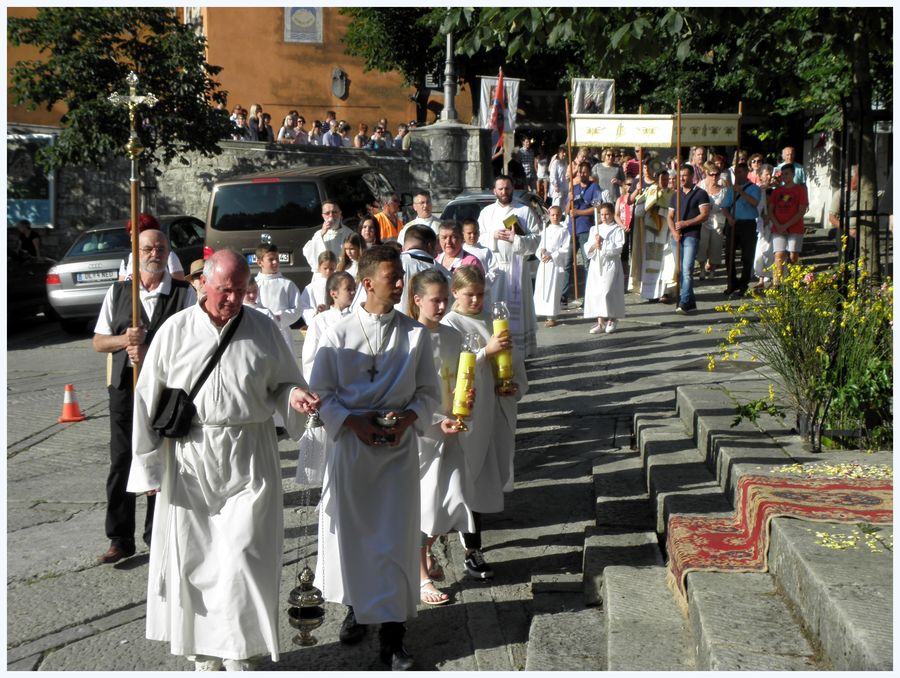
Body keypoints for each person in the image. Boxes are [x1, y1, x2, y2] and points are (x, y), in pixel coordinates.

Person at [127, 249, 320, 671]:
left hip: (249, 455)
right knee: (197, 561)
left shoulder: (264, 329)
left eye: (240, 290)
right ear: (203, 284)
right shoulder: (174, 331)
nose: (232, 299)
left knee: (244, 557)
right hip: (191, 459)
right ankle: (204, 655)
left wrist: (295, 397)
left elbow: (284, 382)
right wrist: (148, 467)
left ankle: (240, 652)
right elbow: (146, 400)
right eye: (224, 290)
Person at [308, 245, 441, 671]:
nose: (401, 283)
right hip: (352, 450)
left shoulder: (415, 334)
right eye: (393, 277)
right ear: (367, 283)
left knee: (397, 542)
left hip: (399, 453)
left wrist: (407, 422)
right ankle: (356, 608)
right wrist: (351, 421)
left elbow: (428, 394)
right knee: (356, 539)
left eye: (401, 275)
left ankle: (394, 636)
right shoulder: (336, 333)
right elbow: (321, 395)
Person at [93, 229, 196, 566]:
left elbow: (195, 344)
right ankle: (119, 538)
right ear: (136, 253)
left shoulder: (184, 294)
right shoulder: (119, 291)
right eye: (148, 248)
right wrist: (126, 340)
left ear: (169, 254)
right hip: (125, 387)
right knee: (122, 459)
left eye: (161, 248)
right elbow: (98, 342)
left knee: (162, 457)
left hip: (166, 390)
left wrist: (151, 350)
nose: (155, 253)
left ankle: (158, 533)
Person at [441, 265, 525, 580]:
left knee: (487, 476)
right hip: (468, 415)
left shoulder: (491, 319)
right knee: (467, 480)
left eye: (480, 294)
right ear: (455, 294)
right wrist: (484, 353)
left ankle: (451, 538)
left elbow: (511, 359)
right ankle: (471, 550)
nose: (476, 300)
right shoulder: (449, 325)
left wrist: (513, 381)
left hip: (494, 408)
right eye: (469, 295)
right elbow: (453, 369)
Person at [408, 269, 476, 606]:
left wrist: (466, 401)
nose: (442, 305)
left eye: (445, 299)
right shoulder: (409, 337)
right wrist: (435, 420)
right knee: (426, 505)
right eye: (435, 300)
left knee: (453, 500)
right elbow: (408, 392)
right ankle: (420, 577)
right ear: (417, 300)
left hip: (452, 428)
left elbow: (461, 378)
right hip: (422, 433)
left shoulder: (452, 336)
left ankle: (425, 553)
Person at [477, 175, 542, 358]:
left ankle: (520, 352)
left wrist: (517, 239)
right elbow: (478, 238)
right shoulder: (486, 213)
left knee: (517, 312)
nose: (504, 192)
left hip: (517, 268)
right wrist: (493, 235)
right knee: (496, 309)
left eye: (507, 188)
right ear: (494, 191)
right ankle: (498, 349)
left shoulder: (524, 211)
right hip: (496, 268)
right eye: (500, 189)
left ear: (512, 188)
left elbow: (537, 239)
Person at [668, 165, 710, 314]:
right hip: (677, 237)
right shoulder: (676, 195)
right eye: (680, 176)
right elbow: (670, 217)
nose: (682, 178)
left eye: (685, 175)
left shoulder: (701, 193)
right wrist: (674, 232)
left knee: (687, 269)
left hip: (691, 235)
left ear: (692, 176)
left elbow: (704, 214)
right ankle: (691, 302)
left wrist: (686, 223)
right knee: (679, 270)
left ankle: (684, 301)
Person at [631, 169, 676, 303]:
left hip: (666, 233)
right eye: (663, 179)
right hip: (650, 232)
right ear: (656, 180)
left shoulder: (672, 194)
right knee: (650, 263)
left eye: (667, 179)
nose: (665, 182)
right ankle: (650, 294)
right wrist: (647, 206)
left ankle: (665, 292)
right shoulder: (649, 191)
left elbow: (673, 212)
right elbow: (638, 212)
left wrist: (661, 210)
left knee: (665, 262)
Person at [561, 161, 601, 304]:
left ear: (589, 173)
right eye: (580, 172)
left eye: (584, 172)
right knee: (567, 263)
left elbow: (597, 207)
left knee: (587, 263)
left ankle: (588, 295)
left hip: (585, 229)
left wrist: (580, 212)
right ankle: (564, 294)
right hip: (572, 229)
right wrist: (569, 201)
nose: (582, 174)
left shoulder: (595, 187)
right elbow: (566, 212)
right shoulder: (574, 188)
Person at [583, 203, 626, 334]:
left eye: (607, 214)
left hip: (610, 264)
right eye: (602, 214)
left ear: (613, 214)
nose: (604, 217)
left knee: (608, 291)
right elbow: (588, 247)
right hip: (597, 263)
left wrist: (604, 242)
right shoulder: (594, 229)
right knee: (597, 292)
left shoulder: (618, 229)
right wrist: (594, 245)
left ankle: (613, 318)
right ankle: (600, 322)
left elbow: (618, 248)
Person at [254, 242, 302, 354]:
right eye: (271, 259)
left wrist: (281, 316)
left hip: (283, 333)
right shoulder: (255, 285)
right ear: (260, 262)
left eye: (277, 258)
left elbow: (298, 309)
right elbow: (251, 307)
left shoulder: (287, 284)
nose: (275, 262)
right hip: (261, 333)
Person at [723, 162, 762, 297]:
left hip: (748, 224)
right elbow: (724, 206)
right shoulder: (731, 189)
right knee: (729, 255)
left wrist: (741, 192)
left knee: (747, 255)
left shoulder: (754, 188)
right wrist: (728, 217)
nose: (737, 175)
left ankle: (744, 284)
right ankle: (731, 283)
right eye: (736, 173)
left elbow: (754, 202)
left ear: (746, 173)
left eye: (740, 172)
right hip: (733, 223)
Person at [768, 163, 809, 284]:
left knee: (793, 256)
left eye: (787, 174)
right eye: (782, 174)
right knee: (779, 254)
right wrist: (779, 226)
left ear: (793, 174)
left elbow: (801, 211)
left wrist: (785, 225)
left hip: (795, 227)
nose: (784, 177)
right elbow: (770, 211)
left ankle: (792, 281)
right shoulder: (777, 191)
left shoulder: (800, 190)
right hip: (778, 227)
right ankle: (777, 283)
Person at [532, 206, 570, 328]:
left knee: (553, 289)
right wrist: (541, 252)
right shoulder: (545, 230)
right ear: (548, 215)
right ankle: (541, 311)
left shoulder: (563, 231)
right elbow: (538, 248)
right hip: (544, 264)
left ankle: (552, 316)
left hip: (555, 264)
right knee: (542, 288)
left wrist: (552, 255)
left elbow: (565, 248)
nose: (555, 217)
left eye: (557, 214)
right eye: (552, 215)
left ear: (561, 215)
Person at [117, 214, 185, 281]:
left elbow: (180, 288)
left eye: (136, 235)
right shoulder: (128, 260)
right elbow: (121, 288)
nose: (131, 239)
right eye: (131, 234)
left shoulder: (169, 257)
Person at [696, 160, 732, 282]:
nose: (714, 177)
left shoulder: (724, 189)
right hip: (703, 220)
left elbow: (727, 205)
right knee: (702, 245)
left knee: (716, 246)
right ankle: (701, 269)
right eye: (711, 174)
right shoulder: (701, 186)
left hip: (718, 221)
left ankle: (712, 270)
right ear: (706, 173)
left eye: (716, 174)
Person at [302, 201, 355, 271]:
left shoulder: (349, 233)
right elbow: (308, 252)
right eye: (327, 213)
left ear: (340, 213)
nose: (331, 216)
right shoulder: (319, 234)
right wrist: (322, 233)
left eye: (334, 212)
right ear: (323, 216)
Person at [752, 163, 776, 289]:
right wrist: (762, 216)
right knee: (760, 252)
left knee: (773, 252)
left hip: (774, 223)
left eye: (770, 174)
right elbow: (757, 206)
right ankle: (761, 278)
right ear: (760, 176)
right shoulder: (757, 189)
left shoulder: (776, 190)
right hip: (761, 224)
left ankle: (773, 278)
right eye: (766, 174)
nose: (769, 176)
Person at [300, 250, 337, 327]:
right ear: (319, 267)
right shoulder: (311, 288)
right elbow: (303, 307)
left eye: (331, 269)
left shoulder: (340, 285)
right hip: (319, 324)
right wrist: (316, 311)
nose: (328, 271)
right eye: (325, 268)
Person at [460, 219, 498, 292]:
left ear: (479, 233)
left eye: (475, 233)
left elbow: (494, 271)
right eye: (469, 233)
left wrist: (480, 284)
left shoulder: (486, 251)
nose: (472, 236)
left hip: (482, 291)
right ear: (463, 234)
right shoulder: (460, 250)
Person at [548, 145, 569, 213]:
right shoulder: (555, 162)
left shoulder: (565, 162)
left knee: (563, 205)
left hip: (564, 186)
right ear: (559, 153)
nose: (564, 154)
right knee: (557, 204)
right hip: (557, 188)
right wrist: (555, 185)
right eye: (563, 152)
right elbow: (553, 176)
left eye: (565, 153)